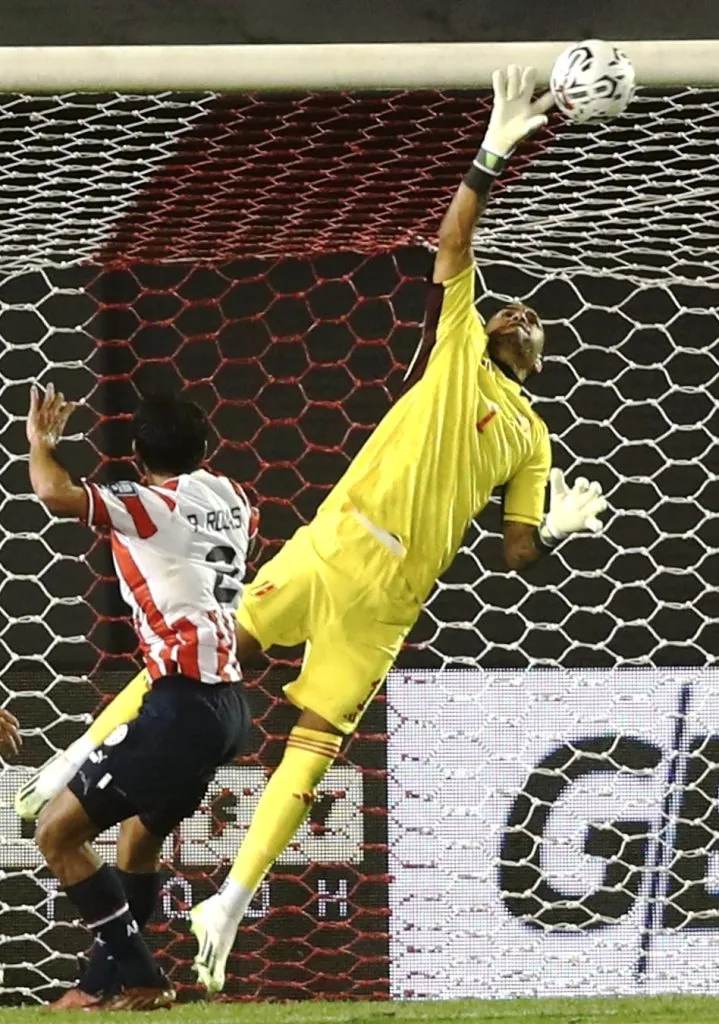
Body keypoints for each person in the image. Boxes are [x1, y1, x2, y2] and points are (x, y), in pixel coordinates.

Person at [19, 64, 607, 996]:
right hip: (339, 546)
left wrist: (556, 528)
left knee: (300, 722)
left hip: (375, 586)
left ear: (532, 360)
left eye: (533, 322)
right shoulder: (456, 347)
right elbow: (454, 246)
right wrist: (492, 148)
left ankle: (224, 901)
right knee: (220, 647)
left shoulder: (529, 439)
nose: (518, 313)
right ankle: (99, 825)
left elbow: (518, 551)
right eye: (513, 306)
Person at [25, 387, 254, 1010]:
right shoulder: (235, 498)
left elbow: (52, 492)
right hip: (227, 706)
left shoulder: (150, 504)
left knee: (56, 835)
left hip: (181, 705)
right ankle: (97, 987)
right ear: (207, 447)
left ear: (135, 454)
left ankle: (146, 980)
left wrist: (38, 442)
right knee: (136, 842)